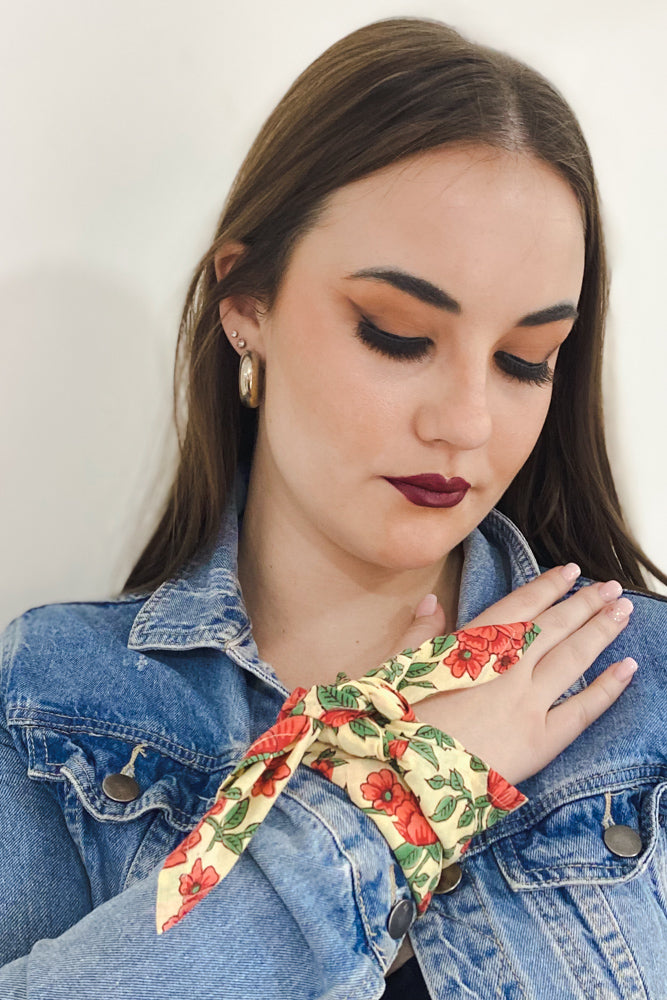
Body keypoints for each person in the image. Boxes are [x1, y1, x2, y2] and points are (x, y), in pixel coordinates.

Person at [1, 15, 666, 999]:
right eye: (396, 333)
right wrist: (395, 803)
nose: (466, 421)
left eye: (526, 360)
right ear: (246, 305)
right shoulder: (62, 706)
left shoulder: (645, 698)